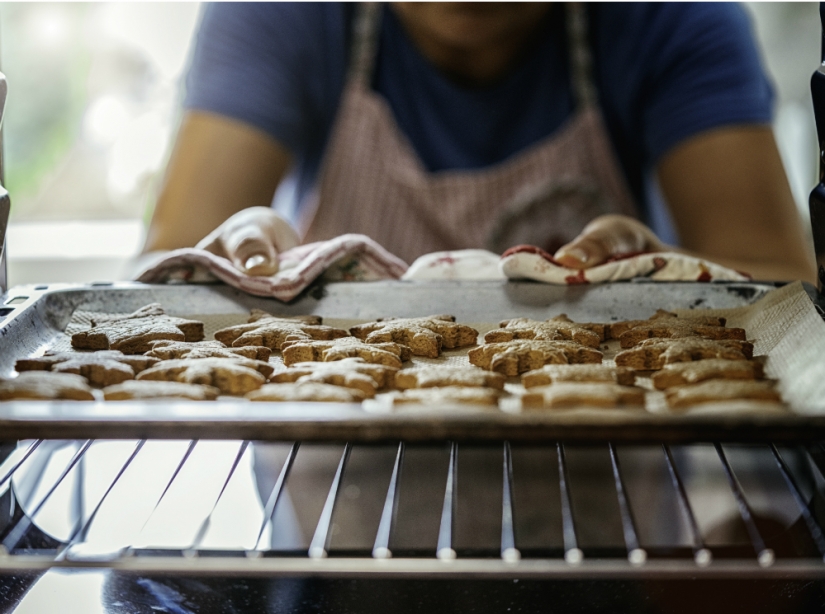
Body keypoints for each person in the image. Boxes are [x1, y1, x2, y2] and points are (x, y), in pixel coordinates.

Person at [142, 2, 815, 282]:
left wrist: (665, 283)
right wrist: (231, 267)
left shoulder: (671, 17)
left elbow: (779, 293)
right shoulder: (279, 14)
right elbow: (162, 279)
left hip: (617, 519)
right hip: (326, 519)